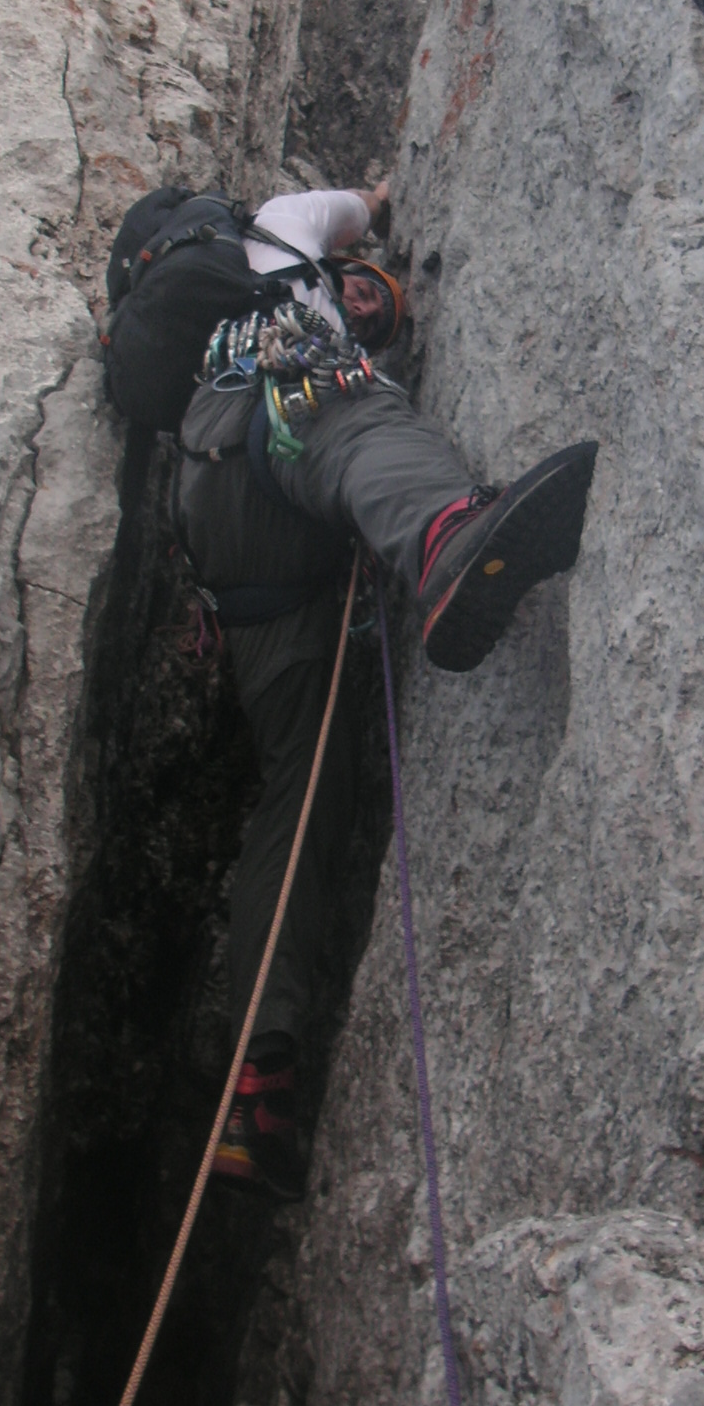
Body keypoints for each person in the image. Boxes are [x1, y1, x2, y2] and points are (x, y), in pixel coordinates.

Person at [173, 181, 596, 1195]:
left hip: (251, 565)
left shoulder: (247, 328)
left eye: (382, 316)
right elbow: (340, 210)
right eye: (366, 289)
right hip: (280, 431)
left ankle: (257, 1083)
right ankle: (447, 539)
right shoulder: (284, 247)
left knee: (303, 796)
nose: (367, 307)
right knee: (361, 412)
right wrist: (380, 196)